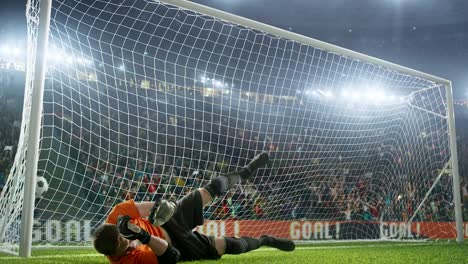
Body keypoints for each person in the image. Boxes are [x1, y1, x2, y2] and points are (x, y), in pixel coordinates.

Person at [93, 152, 295, 264]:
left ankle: (246, 171)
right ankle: (266, 240)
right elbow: (169, 254)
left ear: (116, 228)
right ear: (114, 255)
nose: (129, 244)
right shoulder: (126, 263)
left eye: (124, 240)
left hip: (169, 221)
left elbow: (156, 206)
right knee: (228, 246)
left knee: (206, 192)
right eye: (124, 247)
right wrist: (142, 236)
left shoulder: (118, 214)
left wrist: (164, 208)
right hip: (177, 246)